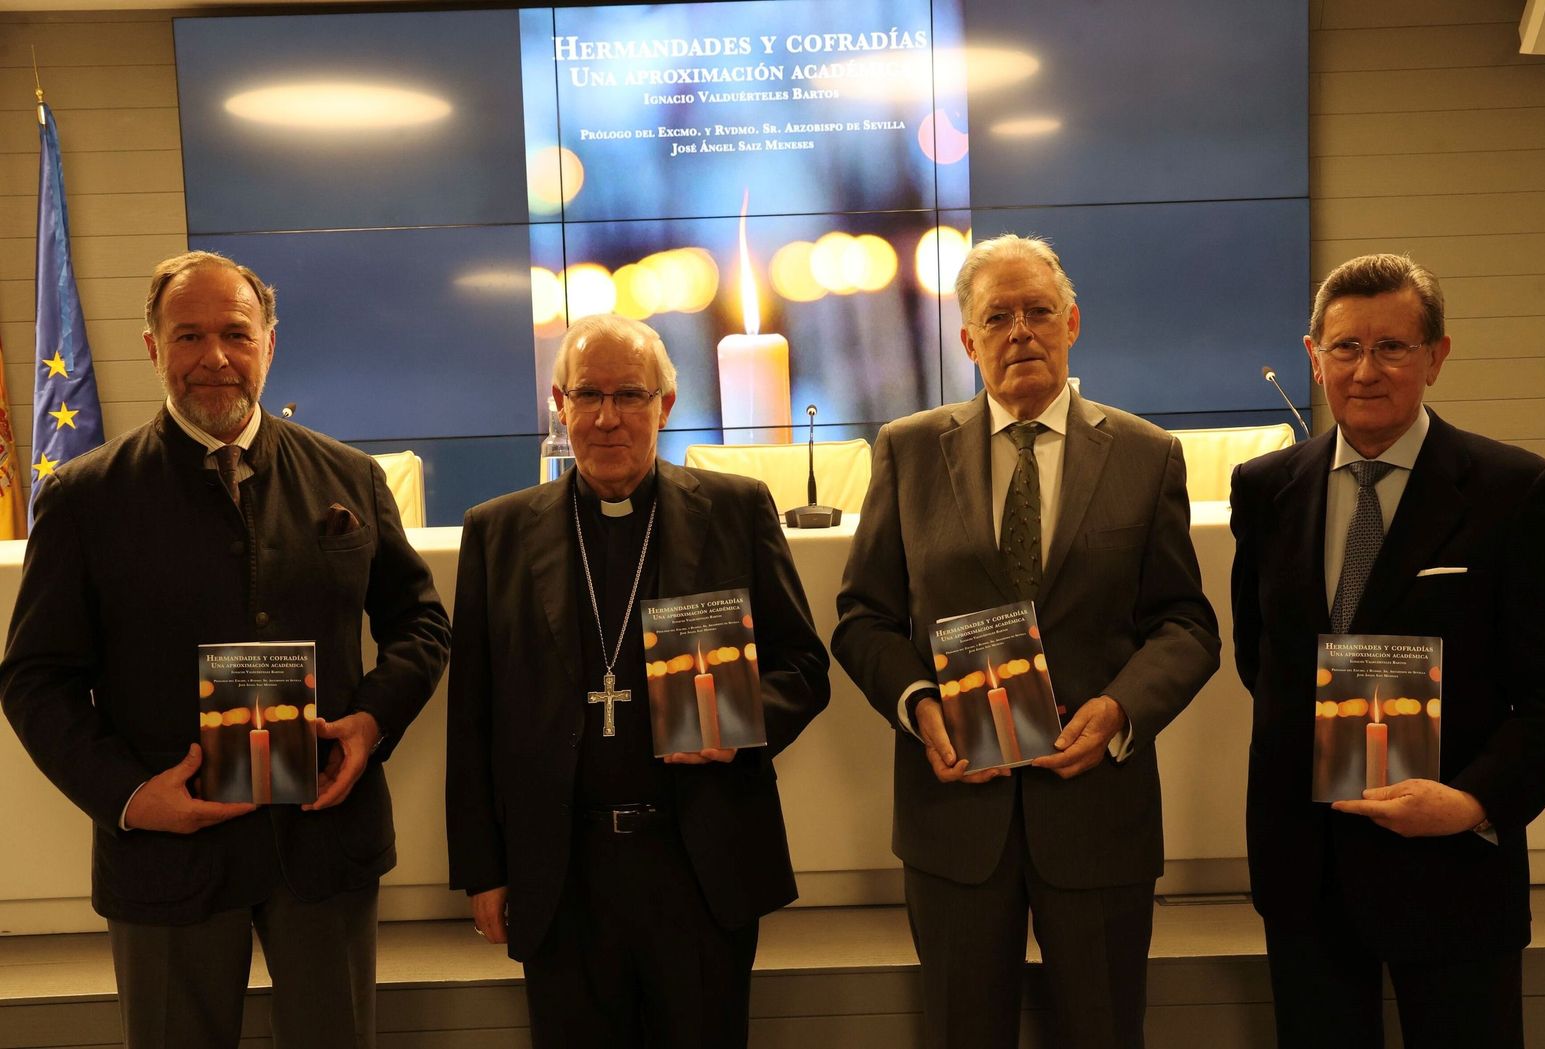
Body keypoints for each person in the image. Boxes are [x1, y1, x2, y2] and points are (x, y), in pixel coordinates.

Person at [0, 250, 451, 1048]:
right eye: (188, 336)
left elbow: (420, 624)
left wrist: (371, 723)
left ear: (269, 344)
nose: (214, 357)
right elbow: (36, 682)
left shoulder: (349, 477)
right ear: (152, 348)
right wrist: (134, 798)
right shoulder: (83, 499)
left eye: (236, 334)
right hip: (165, 858)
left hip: (323, 842)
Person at [832, 234, 1220, 1049]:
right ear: (967, 341)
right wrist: (917, 705)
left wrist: (1119, 709)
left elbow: (1186, 625)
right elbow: (863, 617)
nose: (1021, 332)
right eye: (997, 317)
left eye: (1039, 311)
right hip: (955, 819)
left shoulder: (1147, 457)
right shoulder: (907, 450)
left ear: (1072, 321)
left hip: (1097, 813)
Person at [1230, 253, 1545, 1048]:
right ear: (1312, 354)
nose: (1366, 370)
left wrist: (1469, 804)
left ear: (1437, 355)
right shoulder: (1265, 488)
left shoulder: (1515, 491)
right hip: (1306, 873)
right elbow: (1262, 661)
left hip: (1454, 869)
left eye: (1393, 347)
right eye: (1346, 347)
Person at [445, 313, 829, 1048]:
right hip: (562, 873)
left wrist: (737, 724)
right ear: (559, 404)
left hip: (698, 863)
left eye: (631, 395)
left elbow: (804, 666)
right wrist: (483, 872)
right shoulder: (496, 531)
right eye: (587, 395)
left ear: (667, 405)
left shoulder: (735, 510)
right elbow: (473, 718)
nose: (608, 417)